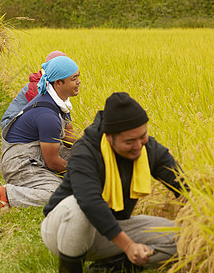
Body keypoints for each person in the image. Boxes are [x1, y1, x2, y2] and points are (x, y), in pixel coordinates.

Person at [41, 92, 186, 273]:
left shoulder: (147, 148)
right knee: (77, 206)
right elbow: (90, 202)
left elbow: (180, 182)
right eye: (129, 141)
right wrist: (128, 246)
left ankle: (115, 265)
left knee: (185, 238)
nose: (138, 146)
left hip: (112, 228)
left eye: (143, 136)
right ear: (109, 137)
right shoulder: (85, 151)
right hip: (62, 231)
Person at [0, 56, 81, 209]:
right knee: (64, 195)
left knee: (84, 158)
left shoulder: (60, 102)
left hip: (38, 154)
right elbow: (53, 162)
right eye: (74, 78)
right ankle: (9, 194)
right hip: (20, 164)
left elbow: (69, 136)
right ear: (58, 83)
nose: (79, 81)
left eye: (78, 77)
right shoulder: (47, 115)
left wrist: (93, 145)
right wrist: (81, 171)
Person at [0, 51, 67, 130]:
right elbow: (43, 114)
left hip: (22, 122)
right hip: (10, 125)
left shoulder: (51, 82)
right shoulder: (39, 86)